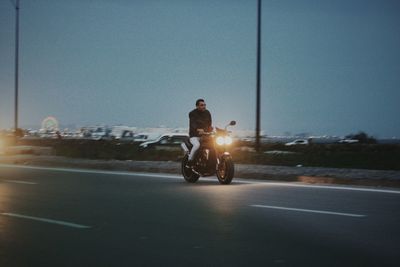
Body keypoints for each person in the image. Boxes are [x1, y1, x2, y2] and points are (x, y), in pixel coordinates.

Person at [187, 99, 212, 166]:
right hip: (195, 136)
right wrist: (198, 129)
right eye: (201, 105)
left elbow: (209, 124)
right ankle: (190, 161)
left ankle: (210, 161)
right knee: (197, 145)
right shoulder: (192, 113)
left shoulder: (207, 113)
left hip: (205, 135)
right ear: (197, 106)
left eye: (204, 105)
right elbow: (193, 124)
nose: (204, 106)